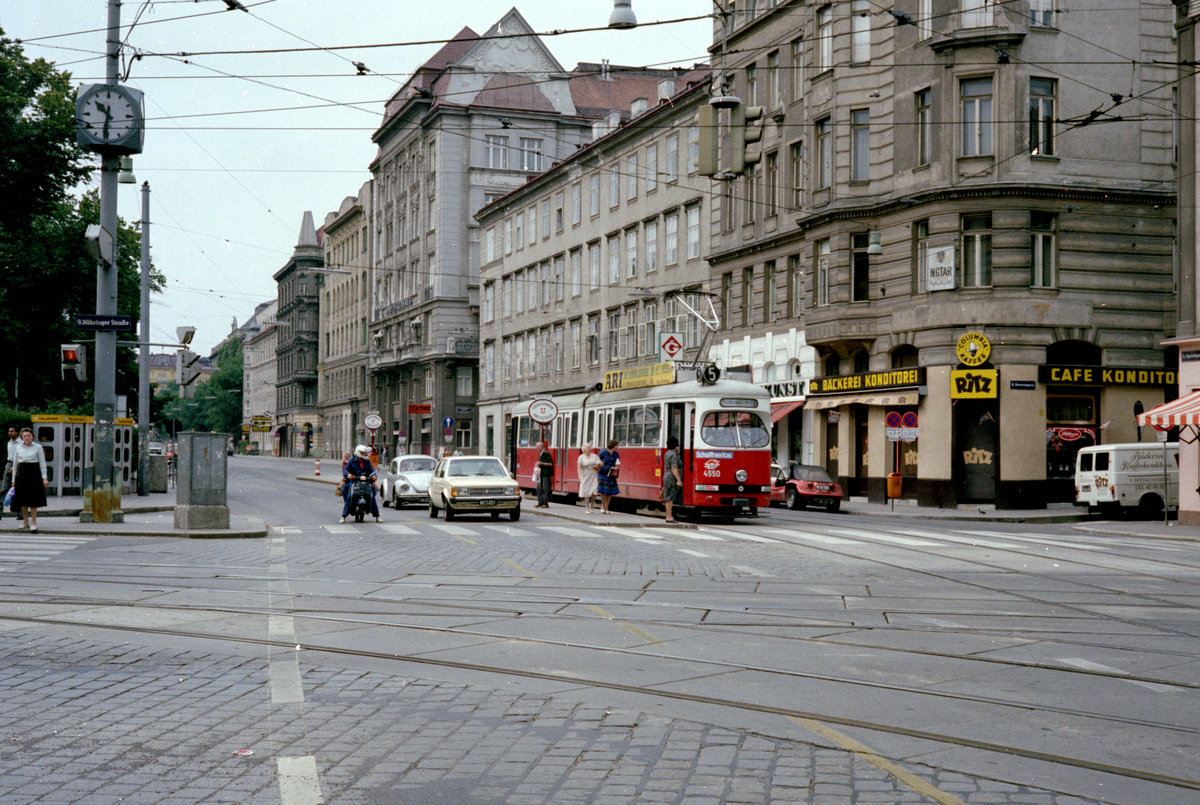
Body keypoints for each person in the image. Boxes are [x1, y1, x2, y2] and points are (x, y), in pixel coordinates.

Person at [10, 428, 48, 532]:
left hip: (34, 474)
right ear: (22, 437)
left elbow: (42, 463)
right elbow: (15, 464)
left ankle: (34, 522)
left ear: (32, 437)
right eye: (25, 436)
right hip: (22, 474)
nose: (27, 438)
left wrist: (44, 477)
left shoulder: (38, 447)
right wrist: (13, 480)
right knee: (22, 500)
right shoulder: (18, 448)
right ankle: (25, 521)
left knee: (33, 500)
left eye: (29, 436)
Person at [340, 444, 380, 523]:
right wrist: (349, 475)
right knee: (350, 496)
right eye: (363, 453)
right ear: (358, 452)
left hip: (366, 481)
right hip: (354, 481)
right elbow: (345, 470)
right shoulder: (352, 461)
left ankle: (377, 516)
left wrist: (374, 476)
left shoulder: (367, 461)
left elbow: (372, 471)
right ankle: (343, 516)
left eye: (365, 453)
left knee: (372, 496)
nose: (365, 454)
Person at [662, 435, 683, 523]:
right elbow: (674, 468)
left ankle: (668, 516)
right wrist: (679, 480)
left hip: (666, 475)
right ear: (675, 445)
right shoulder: (673, 455)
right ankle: (669, 517)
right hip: (671, 476)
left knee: (667, 497)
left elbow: (665, 466)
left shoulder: (667, 453)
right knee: (670, 497)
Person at [576, 443, 602, 513]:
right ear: (584, 449)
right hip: (585, 476)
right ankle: (587, 508)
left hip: (593, 475)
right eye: (587, 448)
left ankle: (592, 504)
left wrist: (596, 466)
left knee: (594, 491)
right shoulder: (581, 457)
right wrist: (579, 477)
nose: (589, 449)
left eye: (590, 447)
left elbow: (599, 464)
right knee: (586, 492)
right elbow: (579, 468)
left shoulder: (594, 456)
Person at [597, 439, 621, 514]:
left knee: (610, 492)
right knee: (604, 492)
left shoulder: (616, 454)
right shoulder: (603, 453)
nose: (617, 447)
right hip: (603, 473)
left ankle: (605, 507)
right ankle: (605, 508)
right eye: (616, 445)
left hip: (611, 474)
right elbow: (599, 462)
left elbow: (617, 462)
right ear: (613, 446)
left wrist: (616, 467)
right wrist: (607, 467)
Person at [1, 425, 18, 520]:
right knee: (4, 488)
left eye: (12, 431)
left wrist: (14, 466)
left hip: (17, 464)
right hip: (9, 463)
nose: (10, 433)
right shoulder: (9, 442)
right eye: (9, 431)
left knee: (18, 488)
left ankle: (19, 513)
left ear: (17, 432)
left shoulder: (20, 443)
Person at [536, 441, 554, 507]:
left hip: (546, 473)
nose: (536, 448)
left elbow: (550, 464)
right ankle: (540, 502)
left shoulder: (546, 453)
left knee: (546, 488)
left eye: (538, 446)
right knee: (538, 488)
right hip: (540, 473)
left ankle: (545, 503)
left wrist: (541, 463)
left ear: (542, 447)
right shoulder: (540, 453)